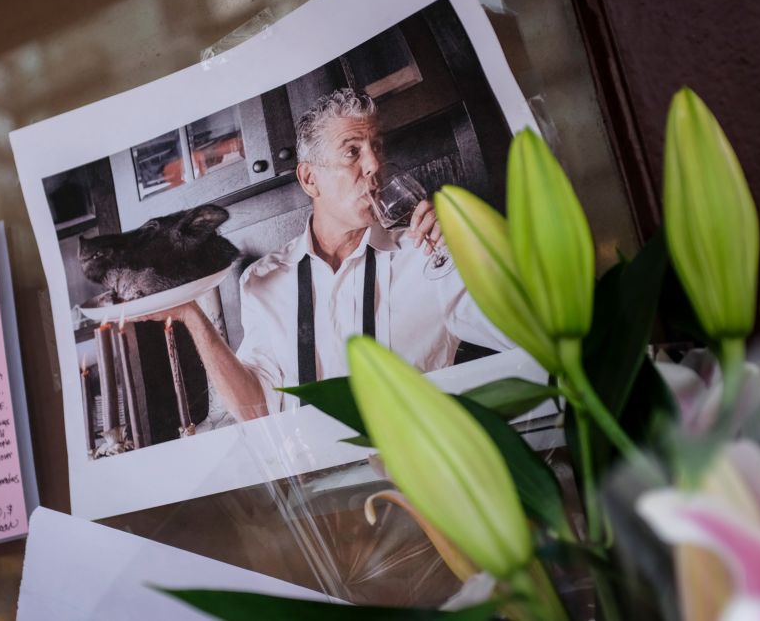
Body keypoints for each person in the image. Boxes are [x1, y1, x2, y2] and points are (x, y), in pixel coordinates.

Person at [144, 88, 514, 421]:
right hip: (315, 491)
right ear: (309, 179)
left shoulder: (427, 256)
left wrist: (472, 245)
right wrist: (191, 315)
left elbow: (520, 338)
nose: (374, 165)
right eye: (353, 151)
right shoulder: (262, 281)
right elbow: (255, 411)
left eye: (377, 148)